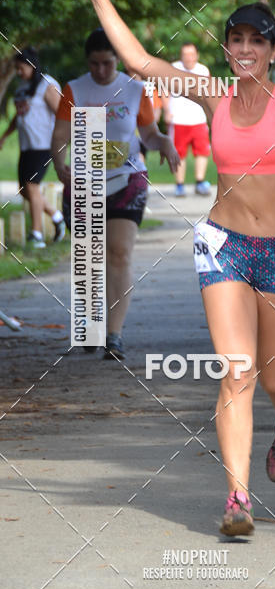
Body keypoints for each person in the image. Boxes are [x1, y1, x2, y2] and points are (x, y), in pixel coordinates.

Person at [77, 0, 275, 537]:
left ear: (273, 51)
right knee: (237, 370)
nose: (246, 49)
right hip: (224, 246)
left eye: (258, 40)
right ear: (227, 49)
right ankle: (237, 499)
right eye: (237, 40)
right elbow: (142, 62)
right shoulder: (215, 99)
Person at [51, 28, 180, 360]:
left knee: (119, 252)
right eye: (94, 64)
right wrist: (59, 162)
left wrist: (164, 142)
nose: (101, 71)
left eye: (107, 63)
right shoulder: (75, 90)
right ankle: (91, 324)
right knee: (91, 258)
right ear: (87, 62)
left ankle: (114, 334)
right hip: (84, 182)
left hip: (127, 177)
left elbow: (149, 134)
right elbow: (61, 134)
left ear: (117, 60)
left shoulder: (134, 89)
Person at [0, 47, 65, 248]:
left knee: (32, 186)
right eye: (16, 69)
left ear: (31, 66)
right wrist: (4, 136)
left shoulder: (47, 85)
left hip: (44, 145)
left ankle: (36, 234)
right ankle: (56, 216)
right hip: (26, 145)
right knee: (24, 189)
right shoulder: (21, 88)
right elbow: (18, 118)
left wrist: (63, 140)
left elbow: (62, 114)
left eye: (21, 68)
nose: (19, 72)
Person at [164, 42, 212, 197]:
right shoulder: (173, 68)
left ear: (196, 55)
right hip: (179, 119)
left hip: (198, 118)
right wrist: (167, 111)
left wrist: (211, 114)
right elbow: (164, 91)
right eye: (185, 55)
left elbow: (209, 94)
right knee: (179, 154)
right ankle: (180, 185)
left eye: (191, 54)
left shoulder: (203, 70)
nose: (189, 58)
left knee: (202, 152)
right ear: (181, 56)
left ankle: (199, 182)